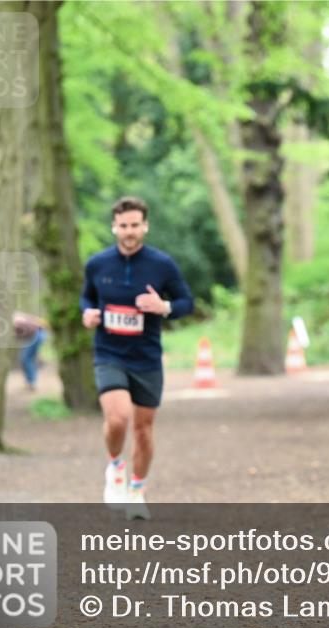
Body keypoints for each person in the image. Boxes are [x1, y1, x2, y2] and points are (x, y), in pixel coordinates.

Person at [81, 196, 194, 519]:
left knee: (143, 430)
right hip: (109, 353)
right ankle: (116, 467)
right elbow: (87, 297)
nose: (129, 231)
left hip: (146, 357)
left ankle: (137, 490)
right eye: (123, 225)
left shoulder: (162, 265)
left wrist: (165, 307)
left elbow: (187, 302)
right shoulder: (98, 264)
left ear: (145, 226)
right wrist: (87, 313)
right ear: (114, 227)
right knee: (117, 418)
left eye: (134, 225)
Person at [13, 311, 49, 392]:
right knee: (27, 358)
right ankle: (31, 381)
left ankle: (32, 382)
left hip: (36, 335)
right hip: (38, 335)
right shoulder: (18, 316)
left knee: (26, 359)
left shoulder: (15, 319)